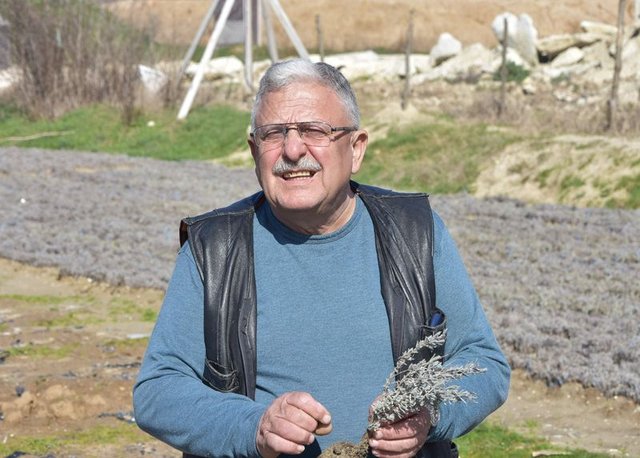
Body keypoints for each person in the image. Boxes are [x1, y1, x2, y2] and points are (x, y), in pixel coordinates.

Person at [133, 59, 510, 458]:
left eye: (315, 130)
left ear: (356, 148)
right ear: (254, 151)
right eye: (273, 134)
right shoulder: (214, 249)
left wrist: (430, 414)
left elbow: (484, 362)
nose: (293, 150)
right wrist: (254, 426)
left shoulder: (416, 232)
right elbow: (158, 391)